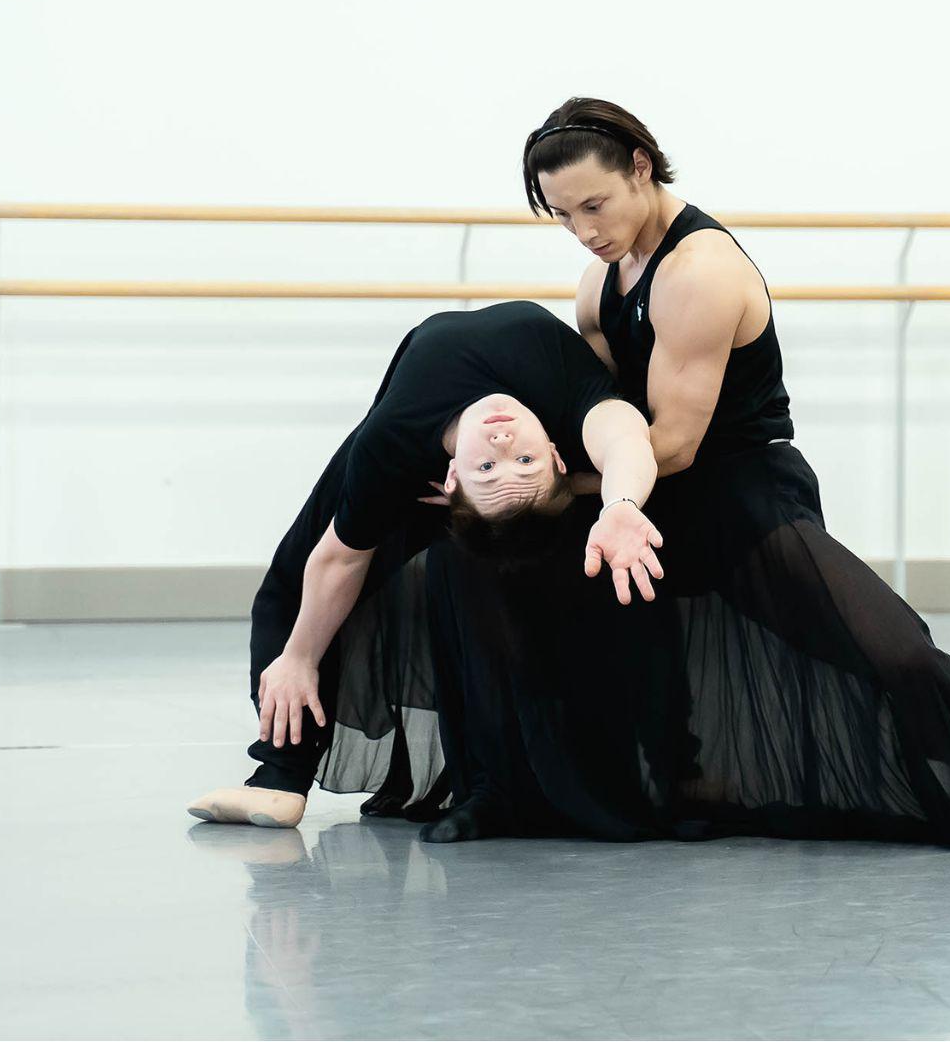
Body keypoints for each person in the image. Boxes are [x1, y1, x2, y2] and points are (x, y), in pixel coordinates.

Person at [417, 99, 950, 850]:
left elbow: (674, 448)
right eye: (562, 215)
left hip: (735, 493)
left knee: (891, 651)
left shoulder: (700, 272)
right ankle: (501, 788)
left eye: (596, 204)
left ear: (641, 170)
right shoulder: (599, 283)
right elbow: (604, 415)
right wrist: (504, 491)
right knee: (474, 554)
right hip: (640, 491)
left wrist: (557, 491)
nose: (585, 230)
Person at [187, 298, 664, 829]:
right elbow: (340, 560)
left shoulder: (397, 440)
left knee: (520, 566)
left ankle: (584, 769)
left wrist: (612, 504)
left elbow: (625, 439)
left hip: (443, 468)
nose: (503, 440)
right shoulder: (553, 402)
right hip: (440, 472)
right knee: (290, 589)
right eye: (512, 461)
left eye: (503, 463)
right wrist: (298, 657)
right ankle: (281, 779)